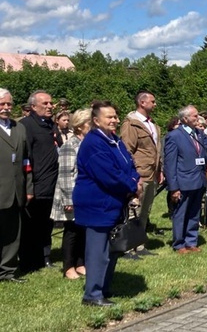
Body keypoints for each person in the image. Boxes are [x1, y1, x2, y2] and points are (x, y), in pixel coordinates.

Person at [73, 101, 140, 307]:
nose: (114, 120)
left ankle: (104, 287)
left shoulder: (115, 140)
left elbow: (129, 164)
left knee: (112, 250)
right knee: (97, 252)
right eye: (109, 117)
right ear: (96, 120)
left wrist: (135, 179)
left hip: (113, 203)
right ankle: (92, 295)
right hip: (97, 204)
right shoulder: (93, 143)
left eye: (115, 116)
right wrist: (132, 185)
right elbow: (108, 175)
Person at [164, 105, 207, 254]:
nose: (198, 118)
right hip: (183, 182)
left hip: (198, 180)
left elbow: (205, 154)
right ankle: (179, 244)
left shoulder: (198, 134)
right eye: (194, 116)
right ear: (185, 119)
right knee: (181, 214)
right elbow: (170, 164)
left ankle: (191, 241)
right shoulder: (174, 136)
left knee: (194, 213)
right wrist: (174, 187)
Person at [18, 90, 59, 272]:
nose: (50, 106)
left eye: (51, 103)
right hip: (36, 183)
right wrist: (29, 184)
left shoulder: (51, 125)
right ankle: (29, 259)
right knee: (31, 224)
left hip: (52, 183)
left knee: (47, 222)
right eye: (46, 104)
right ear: (33, 107)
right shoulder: (27, 125)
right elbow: (25, 156)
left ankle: (45, 256)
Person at [119, 90, 161, 259]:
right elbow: (127, 151)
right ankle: (127, 247)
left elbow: (157, 150)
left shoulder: (152, 124)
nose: (155, 104)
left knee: (145, 211)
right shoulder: (131, 124)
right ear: (142, 103)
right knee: (133, 210)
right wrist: (133, 175)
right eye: (152, 101)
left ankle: (140, 244)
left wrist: (160, 171)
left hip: (152, 173)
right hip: (139, 174)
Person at [51, 108, 91, 280]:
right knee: (71, 231)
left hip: (85, 194)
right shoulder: (70, 146)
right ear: (81, 126)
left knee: (83, 230)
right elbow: (65, 174)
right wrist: (69, 199)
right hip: (71, 195)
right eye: (90, 123)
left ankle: (81, 263)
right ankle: (68, 266)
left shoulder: (87, 143)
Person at [0, 88, 32, 283]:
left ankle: (7, 271)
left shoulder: (19, 127)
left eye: (9, 104)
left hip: (16, 190)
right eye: (2, 104)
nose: (6, 108)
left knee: (12, 233)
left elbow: (26, 161)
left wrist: (28, 188)